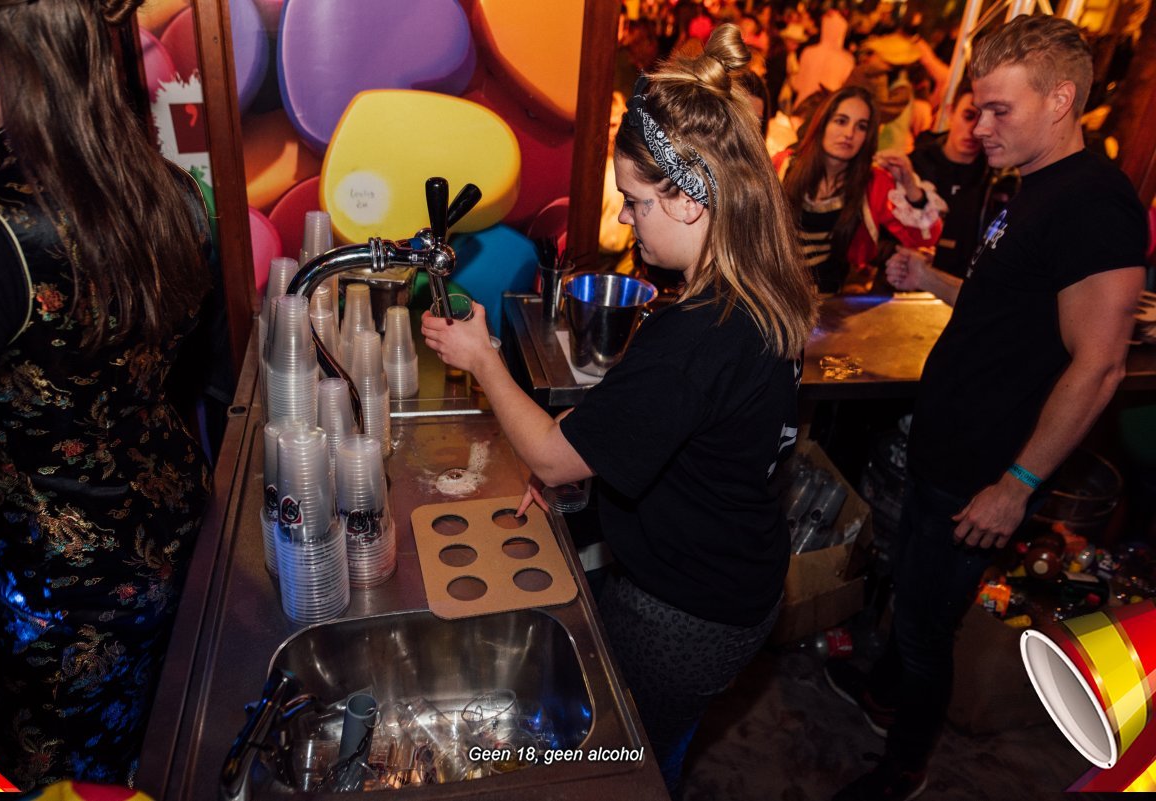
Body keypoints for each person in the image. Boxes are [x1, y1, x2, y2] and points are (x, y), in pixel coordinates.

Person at [423, 23, 816, 794]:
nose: (628, 220)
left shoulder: (695, 335)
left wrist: (485, 360)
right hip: (741, 582)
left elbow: (551, 455)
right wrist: (584, 449)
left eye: (636, 202)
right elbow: (658, 424)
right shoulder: (756, 293)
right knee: (659, 733)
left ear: (689, 201)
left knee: (625, 758)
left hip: (687, 611)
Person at [827, 15, 1147, 801]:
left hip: (985, 470)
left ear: (1061, 99)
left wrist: (1016, 484)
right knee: (912, 594)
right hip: (949, 446)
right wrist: (931, 279)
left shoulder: (1096, 204)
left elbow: (1100, 363)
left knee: (927, 627)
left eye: (999, 109)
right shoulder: (1034, 186)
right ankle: (883, 692)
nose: (980, 126)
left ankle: (903, 769)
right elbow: (1007, 306)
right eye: (978, 108)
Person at [0, 0, 213, 789]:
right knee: (159, 765)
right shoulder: (173, 192)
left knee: (65, 785)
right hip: (174, 545)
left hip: (61, 609)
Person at [774, 86, 944, 293]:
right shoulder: (783, 166)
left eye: (861, 126)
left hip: (829, 301)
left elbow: (926, 237)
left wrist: (909, 184)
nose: (849, 134)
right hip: (771, 292)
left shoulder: (873, 182)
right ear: (823, 123)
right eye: (841, 121)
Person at [904, 81, 993, 277]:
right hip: (909, 280)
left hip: (962, 285)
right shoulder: (915, 166)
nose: (975, 129)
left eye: (983, 120)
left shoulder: (995, 180)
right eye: (968, 116)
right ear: (950, 112)